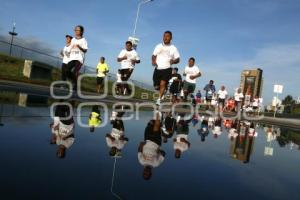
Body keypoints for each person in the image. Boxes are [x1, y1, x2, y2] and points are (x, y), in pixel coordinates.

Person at [152, 31, 180, 105]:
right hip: (158, 68)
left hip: (167, 69)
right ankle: (163, 91)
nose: (165, 37)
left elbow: (178, 59)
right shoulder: (158, 46)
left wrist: (173, 61)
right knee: (156, 86)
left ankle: (159, 99)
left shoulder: (173, 48)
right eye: (164, 36)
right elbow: (154, 55)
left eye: (167, 36)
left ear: (171, 38)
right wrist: (153, 61)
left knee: (162, 84)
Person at [138, 111, 165, 180]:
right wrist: (159, 151)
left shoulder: (141, 161)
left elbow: (140, 151)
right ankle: (158, 111)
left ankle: (159, 114)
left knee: (150, 124)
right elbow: (163, 154)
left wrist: (141, 145)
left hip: (147, 140)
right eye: (147, 174)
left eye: (144, 173)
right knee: (156, 125)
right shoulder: (156, 164)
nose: (145, 172)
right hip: (156, 142)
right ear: (151, 173)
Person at [67, 25, 88, 90]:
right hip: (72, 58)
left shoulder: (83, 40)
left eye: (77, 30)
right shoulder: (73, 39)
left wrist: (79, 47)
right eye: (75, 30)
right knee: (66, 71)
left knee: (74, 72)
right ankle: (75, 82)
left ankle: (74, 85)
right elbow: (70, 48)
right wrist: (68, 52)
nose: (75, 31)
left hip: (79, 59)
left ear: (81, 32)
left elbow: (85, 50)